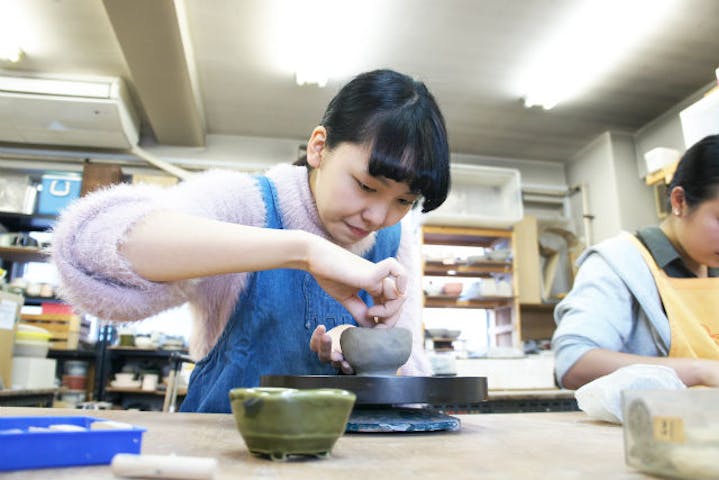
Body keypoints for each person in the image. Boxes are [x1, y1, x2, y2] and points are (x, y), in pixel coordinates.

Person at [51, 69, 450, 413]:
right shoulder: (246, 201)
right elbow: (89, 247)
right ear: (318, 148)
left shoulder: (394, 241)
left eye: (404, 201)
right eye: (365, 185)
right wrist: (304, 251)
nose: (378, 217)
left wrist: (361, 357)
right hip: (224, 451)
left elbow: (409, 369)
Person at [552, 134, 719, 390]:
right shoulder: (619, 262)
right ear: (679, 201)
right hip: (653, 427)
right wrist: (701, 371)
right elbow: (574, 363)